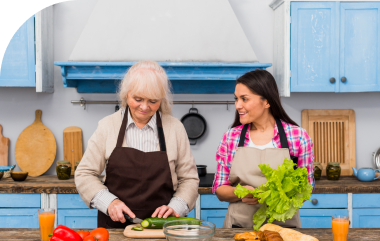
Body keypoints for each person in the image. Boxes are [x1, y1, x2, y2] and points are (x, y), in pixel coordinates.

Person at [75, 61, 199, 228]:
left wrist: (175, 207)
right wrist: (110, 203)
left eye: (153, 101)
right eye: (138, 99)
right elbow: (85, 174)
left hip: (163, 228)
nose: (144, 107)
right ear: (127, 94)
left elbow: (189, 179)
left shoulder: (175, 128)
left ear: (161, 99)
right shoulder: (107, 126)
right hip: (113, 228)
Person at [213, 69, 314, 228]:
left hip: (284, 229)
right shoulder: (230, 137)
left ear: (267, 102)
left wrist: (273, 195)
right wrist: (240, 193)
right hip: (239, 227)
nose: (237, 105)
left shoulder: (298, 137)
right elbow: (219, 189)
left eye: (244, 99)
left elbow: (307, 187)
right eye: (236, 98)